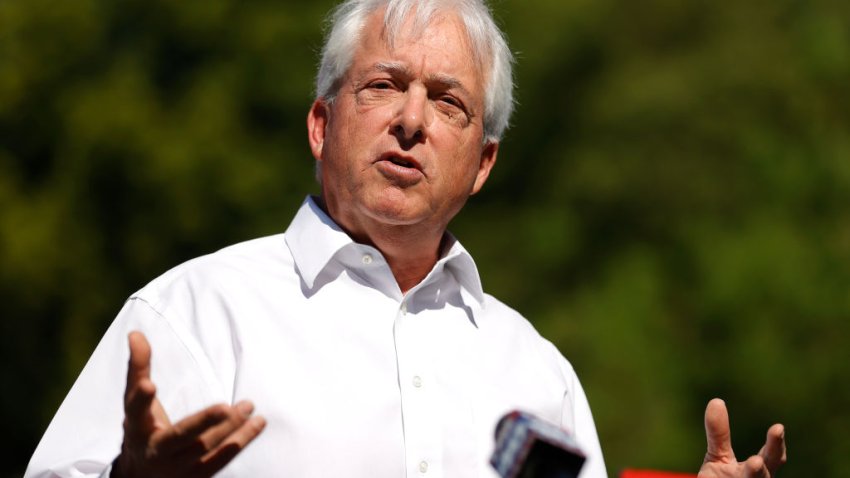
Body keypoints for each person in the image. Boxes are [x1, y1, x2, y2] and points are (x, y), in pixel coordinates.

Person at [25, 1, 786, 477]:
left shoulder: (536, 372)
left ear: (483, 163)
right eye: (384, 85)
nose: (412, 120)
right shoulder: (192, 317)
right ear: (321, 124)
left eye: (448, 102)